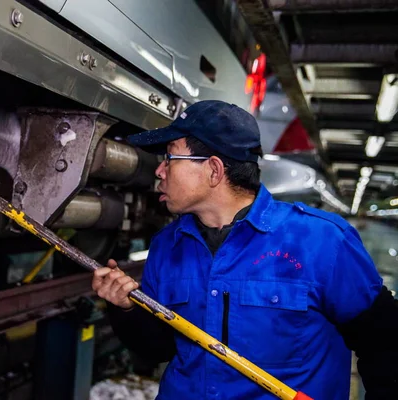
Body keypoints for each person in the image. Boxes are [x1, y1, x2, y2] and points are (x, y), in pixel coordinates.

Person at [92, 100, 398, 400]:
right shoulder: (167, 245)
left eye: (169, 158)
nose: (159, 171)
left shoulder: (323, 241)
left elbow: (384, 343)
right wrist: (127, 309)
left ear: (213, 170)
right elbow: (160, 348)